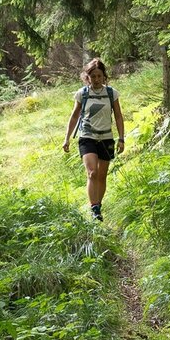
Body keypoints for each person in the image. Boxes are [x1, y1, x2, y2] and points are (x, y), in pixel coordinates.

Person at [63, 58, 125, 221]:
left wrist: (121, 138)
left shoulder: (112, 93)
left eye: (99, 76)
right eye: (93, 76)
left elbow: (118, 116)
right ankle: (94, 208)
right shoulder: (82, 94)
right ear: (87, 77)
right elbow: (74, 115)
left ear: (104, 76)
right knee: (92, 173)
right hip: (87, 137)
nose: (96, 80)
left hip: (106, 138)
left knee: (102, 175)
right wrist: (67, 138)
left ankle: (98, 204)